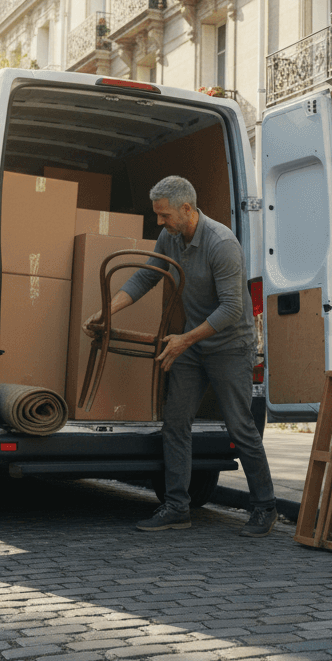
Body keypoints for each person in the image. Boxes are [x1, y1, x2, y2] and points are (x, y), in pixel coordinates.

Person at [87, 175, 278, 537]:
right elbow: (146, 277)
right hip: (192, 344)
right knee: (175, 423)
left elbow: (232, 309)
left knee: (240, 426)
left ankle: (264, 507)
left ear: (187, 209)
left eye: (163, 215)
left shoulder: (221, 243)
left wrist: (184, 340)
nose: (159, 222)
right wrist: (107, 312)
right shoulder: (170, 237)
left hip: (229, 346)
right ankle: (177, 506)